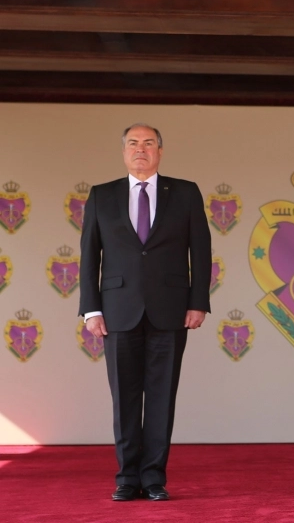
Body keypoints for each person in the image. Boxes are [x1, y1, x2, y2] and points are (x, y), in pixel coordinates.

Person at [79, 123, 211, 502]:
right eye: (134, 143)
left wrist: (198, 301)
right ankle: (126, 478)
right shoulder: (102, 195)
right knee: (124, 399)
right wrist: (90, 309)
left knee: (161, 397)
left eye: (149, 143)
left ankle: (153, 478)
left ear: (160, 151)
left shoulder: (185, 193)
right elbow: (89, 255)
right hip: (117, 311)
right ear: (124, 152)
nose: (141, 149)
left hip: (171, 310)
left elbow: (201, 250)